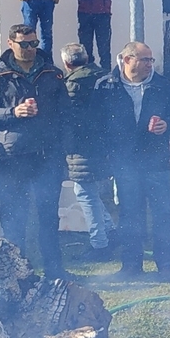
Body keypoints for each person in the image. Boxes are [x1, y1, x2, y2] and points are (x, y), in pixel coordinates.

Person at [0, 24, 68, 278]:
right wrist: (13, 113)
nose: (29, 49)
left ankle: (55, 270)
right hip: (12, 158)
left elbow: (65, 114)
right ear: (10, 44)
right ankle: (20, 273)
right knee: (15, 219)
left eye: (33, 44)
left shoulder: (52, 73)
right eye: (24, 44)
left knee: (49, 217)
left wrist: (63, 149)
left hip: (47, 156)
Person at [97, 41, 170, 278]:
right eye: (144, 59)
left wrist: (167, 125)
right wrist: (107, 154)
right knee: (129, 215)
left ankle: (166, 266)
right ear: (127, 60)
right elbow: (97, 124)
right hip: (125, 164)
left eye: (151, 60)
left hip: (156, 163)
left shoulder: (162, 85)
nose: (149, 64)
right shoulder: (107, 86)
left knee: (162, 215)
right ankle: (131, 266)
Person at [59, 43, 114, 261]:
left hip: (82, 146)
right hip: (104, 142)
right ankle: (110, 230)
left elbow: (70, 118)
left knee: (85, 192)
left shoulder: (74, 83)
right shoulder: (104, 77)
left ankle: (99, 244)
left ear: (66, 63)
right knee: (90, 191)